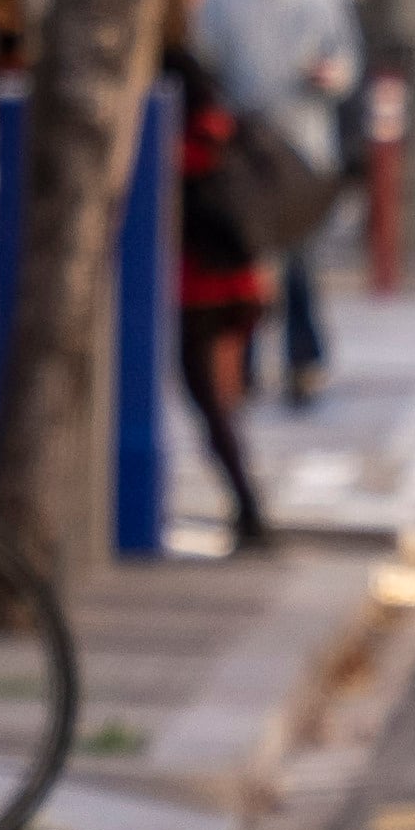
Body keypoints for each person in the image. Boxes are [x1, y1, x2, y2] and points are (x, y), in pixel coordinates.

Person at [187, 0, 357, 405]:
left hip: (302, 149)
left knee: (301, 261)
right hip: (245, 154)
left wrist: (331, 75)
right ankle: (243, 365)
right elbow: (207, 61)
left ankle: (302, 360)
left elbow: (346, 61)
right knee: (245, 259)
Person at [167, 31, 273, 551]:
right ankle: (248, 507)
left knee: (210, 399)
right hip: (237, 282)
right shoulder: (215, 109)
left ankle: (250, 509)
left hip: (202, 285)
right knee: (220, 402)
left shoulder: (182, 134)